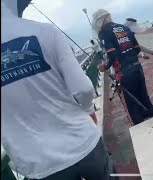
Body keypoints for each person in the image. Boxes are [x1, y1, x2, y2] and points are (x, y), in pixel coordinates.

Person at [1, 1, 116, 179]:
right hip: (83, 143)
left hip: (39, 166)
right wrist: (89, 112)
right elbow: (83, 89)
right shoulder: (46, 32)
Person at [92, 9, 153, 125]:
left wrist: (104, 66)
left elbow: (111, 54)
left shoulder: (104, 32)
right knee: (143, 95)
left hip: (124, 73)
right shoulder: (124, 28)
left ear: (100, 20)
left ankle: (140, 125)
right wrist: (149, 53)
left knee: (131, 104)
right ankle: (151, 114)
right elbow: (136, 47)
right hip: (137, 68)